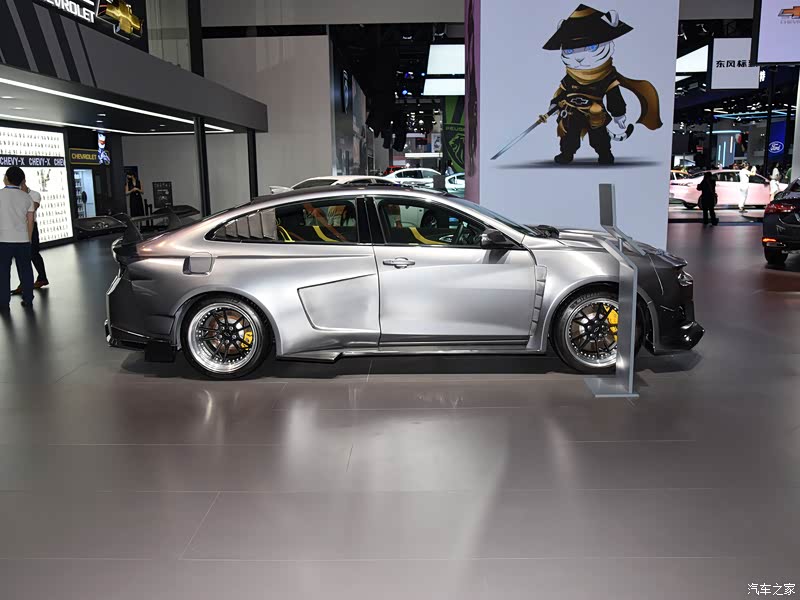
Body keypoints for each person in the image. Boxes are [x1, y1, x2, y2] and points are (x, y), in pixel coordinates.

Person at [0, 166, 35, 310]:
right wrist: (29, 239)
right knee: (26, 270)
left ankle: (3, 302)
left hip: (3, 240)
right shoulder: (27, 197)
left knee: (3, 271)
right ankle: (28, 298)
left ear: (6, 178)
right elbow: (31, 221)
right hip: (23, 240)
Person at [11, 183, 48, 295]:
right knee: (19, 255)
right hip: (18, 227)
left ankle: (42, 278)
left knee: (33, 253)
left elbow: (33, 207)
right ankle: (23, 283)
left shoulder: (34, 194)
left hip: (30, 225)